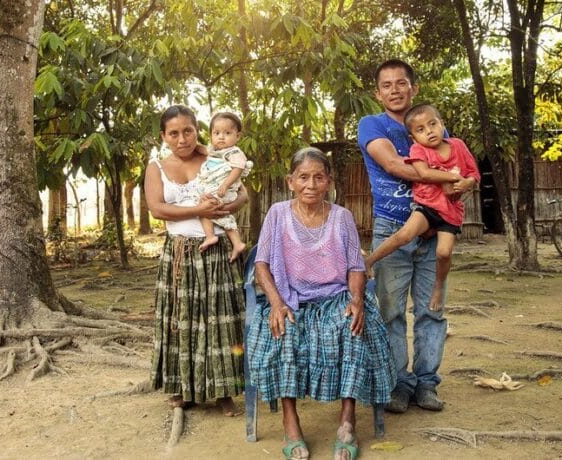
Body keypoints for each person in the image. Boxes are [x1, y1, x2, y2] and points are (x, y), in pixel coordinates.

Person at [246, 148, 394, 460]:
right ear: (291, 182)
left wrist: (356, 301)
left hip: (335, 298)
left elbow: (356, 267)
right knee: (283, 333)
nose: (311, 184)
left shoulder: (342, 217)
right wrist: (275, 303)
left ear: (328, 182)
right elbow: (261, 266)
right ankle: (291, 423)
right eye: (303, 177)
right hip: (290, 299)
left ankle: (347, 422)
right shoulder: (277, 213)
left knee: (352, 329)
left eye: (318, 177)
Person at [357, 59, 453, 414]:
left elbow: (460, 174)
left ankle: (427, 384)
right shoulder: (371, 124)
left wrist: (460, 181)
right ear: (377, 92)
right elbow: (394, 166)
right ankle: (398, 384)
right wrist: (442, 174)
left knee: (432, 310)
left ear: (414, 88)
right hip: (391, 229)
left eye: (401, 83)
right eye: (387, 85)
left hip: (435, 229)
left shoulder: (432, 126)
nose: (395, 90)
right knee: (390, 313)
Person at [145, 105, 247, 416]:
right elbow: (158, 209)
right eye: (173, 133)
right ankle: (182, 389)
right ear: (163, 136)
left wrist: (222, 210)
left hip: (216, 253)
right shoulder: (157, 167)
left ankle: (223, 391)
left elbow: (243, 196)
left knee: (219, 322)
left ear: (196, 130)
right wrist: (198, 211)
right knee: (182, 322)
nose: (181, 138)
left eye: (188, 131)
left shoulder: (216, 158)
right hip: (180, 254)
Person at [365, 103, 480, 311]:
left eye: (432, 124)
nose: (429, 132)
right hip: (428, 206)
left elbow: (474, 173)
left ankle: (438, 286)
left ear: (442, 125)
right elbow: (424, 174)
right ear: (413, 137)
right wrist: (454, 177)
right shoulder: (418, 150)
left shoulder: (458, 146)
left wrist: (468, 182)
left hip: (451, 212)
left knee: (444, 253)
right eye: (420, 130)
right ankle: (369, 261)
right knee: (404, 235)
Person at [197, 112, 252, 262]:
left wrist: (225, 185)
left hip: (225, 190)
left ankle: (211, 236)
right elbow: (203, 149)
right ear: (211, 136)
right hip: (216, 188)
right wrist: (193, 145)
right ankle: (237, 242)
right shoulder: (215, 151)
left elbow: (238, 168)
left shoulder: (234, 152)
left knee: (206, 209)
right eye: (217, 133)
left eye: (227, 133)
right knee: (217, 213)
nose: (221, 137)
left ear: (238, 136)